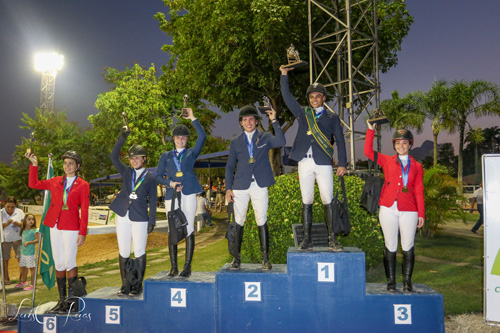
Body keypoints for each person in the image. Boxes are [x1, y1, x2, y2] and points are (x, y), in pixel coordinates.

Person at [280, 66, 348, 251]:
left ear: (324, 98)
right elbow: (287, 98)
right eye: (311, 96)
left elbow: (340, 142)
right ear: (309, 99)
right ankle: (307, 240)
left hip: (324, 162)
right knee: (307, 199)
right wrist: (284, 75)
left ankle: (332, 240)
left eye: (318, 96)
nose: (315, 99)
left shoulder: (332, 117)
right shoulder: (303, 113)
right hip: (305, 161)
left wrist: (343, 163)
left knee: (328, 199)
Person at [364, 121, 425, 292]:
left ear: (410, 145)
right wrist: (370, 130)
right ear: (394, 145)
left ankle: (407, 281)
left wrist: (421, 213)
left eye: (404, 142)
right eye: (398, 143)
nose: (401, 145)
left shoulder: (417, 166)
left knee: (408, 245)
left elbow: (419, 190)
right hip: (388, 208)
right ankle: (391, 281)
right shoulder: (386, 160)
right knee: (390, 244)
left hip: (410, 209)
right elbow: (368, 152)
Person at [26, 150, 89, 312]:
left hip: (72, 227)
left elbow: (85, 210)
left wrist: (82, 232)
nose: (67, 166)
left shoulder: (83, 185)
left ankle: (72, 301)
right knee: (59, 262)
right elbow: (33, 184)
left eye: (71, 163)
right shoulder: (55, 181)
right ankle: (62, 301)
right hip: (53, 225)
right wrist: (34, 165)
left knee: (70, 262)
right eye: (65, 163)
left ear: (77, 166)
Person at [225, 105, 285, 270]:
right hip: (240, 186)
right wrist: (228, 189)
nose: (248, 122)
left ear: (257, 121)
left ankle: (265, 258)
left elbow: (281, 141)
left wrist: (274, 120)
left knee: (261, 219)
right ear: (241, 123)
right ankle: (236, 258)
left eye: (251, 119)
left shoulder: (265, 137)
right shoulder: (235, 142)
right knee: (239, 221)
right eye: (245, 120)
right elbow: (230, 166)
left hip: (259, 185)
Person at [156, 108, 206, 278]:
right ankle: (173, 267)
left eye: (183, 137)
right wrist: (169, 182)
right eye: (178, 137)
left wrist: (193, 118)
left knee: (189, 227)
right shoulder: (166, 155)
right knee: (172, 229)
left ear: (186, 139)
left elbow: (203, 137)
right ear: (173, 139)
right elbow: (158, 176)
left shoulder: (192, 153)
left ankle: (187, 267)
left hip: (189, 192)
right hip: (172, 194)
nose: (180, 140)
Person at [109, 127, 157, 296]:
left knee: (139, 251)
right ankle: (125, 284)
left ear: (144, 159)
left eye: (137, 157)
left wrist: (152, 221)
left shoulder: (151, 177)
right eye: (131, 158)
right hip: (122, 215)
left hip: (140, 218)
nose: (133, 160)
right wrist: (122, 138)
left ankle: (137, 284)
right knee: (123, 250)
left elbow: (153, 200)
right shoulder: (126, 171)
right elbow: (113, 156)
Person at [1, 196, 24, 285]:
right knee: (5, 260)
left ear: (15, 206)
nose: (10, 209)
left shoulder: (20, 212)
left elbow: (25, 225)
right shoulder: (1, 213)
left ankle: (22, 278)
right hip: (5, 240)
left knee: (21, 258)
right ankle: (6, 278)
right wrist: (6, 224)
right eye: (8, 207)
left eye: (12, 207)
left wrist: (18, 224)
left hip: (18, 239)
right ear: (4, 205)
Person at [17, 213, 40, 291]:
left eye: (32, 219)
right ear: (25, 221)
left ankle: (32, 284)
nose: (31, 221)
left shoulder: (34, 230)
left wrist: (29, 242)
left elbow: (38, 240)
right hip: (23, 252)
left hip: (30, 253)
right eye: (29, 219)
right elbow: (24, 239)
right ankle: (24, 281)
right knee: (23, 267)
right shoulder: (23, 230)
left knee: (32, 268)